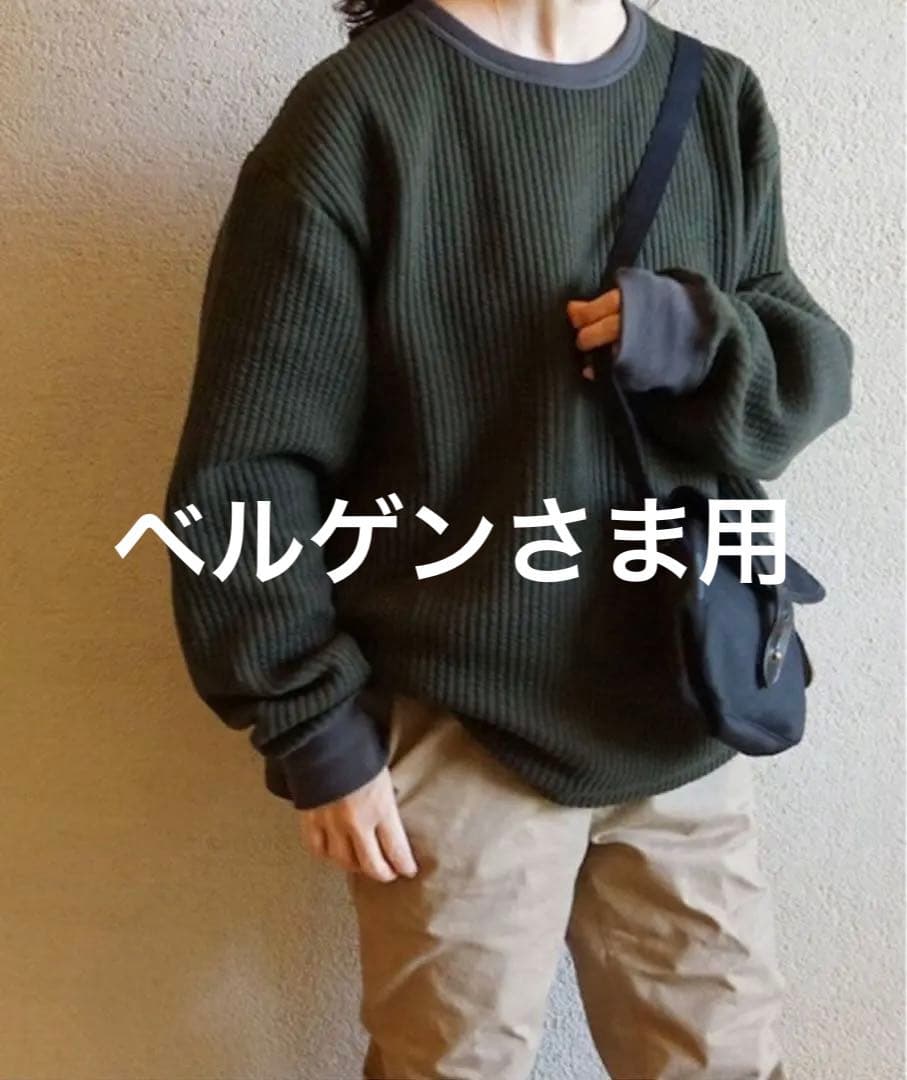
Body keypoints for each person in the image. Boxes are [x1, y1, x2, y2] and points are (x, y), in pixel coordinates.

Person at [163, 0, 853, 1075]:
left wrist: (703, 345)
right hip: (458, 728)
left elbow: (806, 376)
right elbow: (244, 472)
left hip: (684, 708)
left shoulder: (713, 97)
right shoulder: (360, 114)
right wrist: (309, 723)